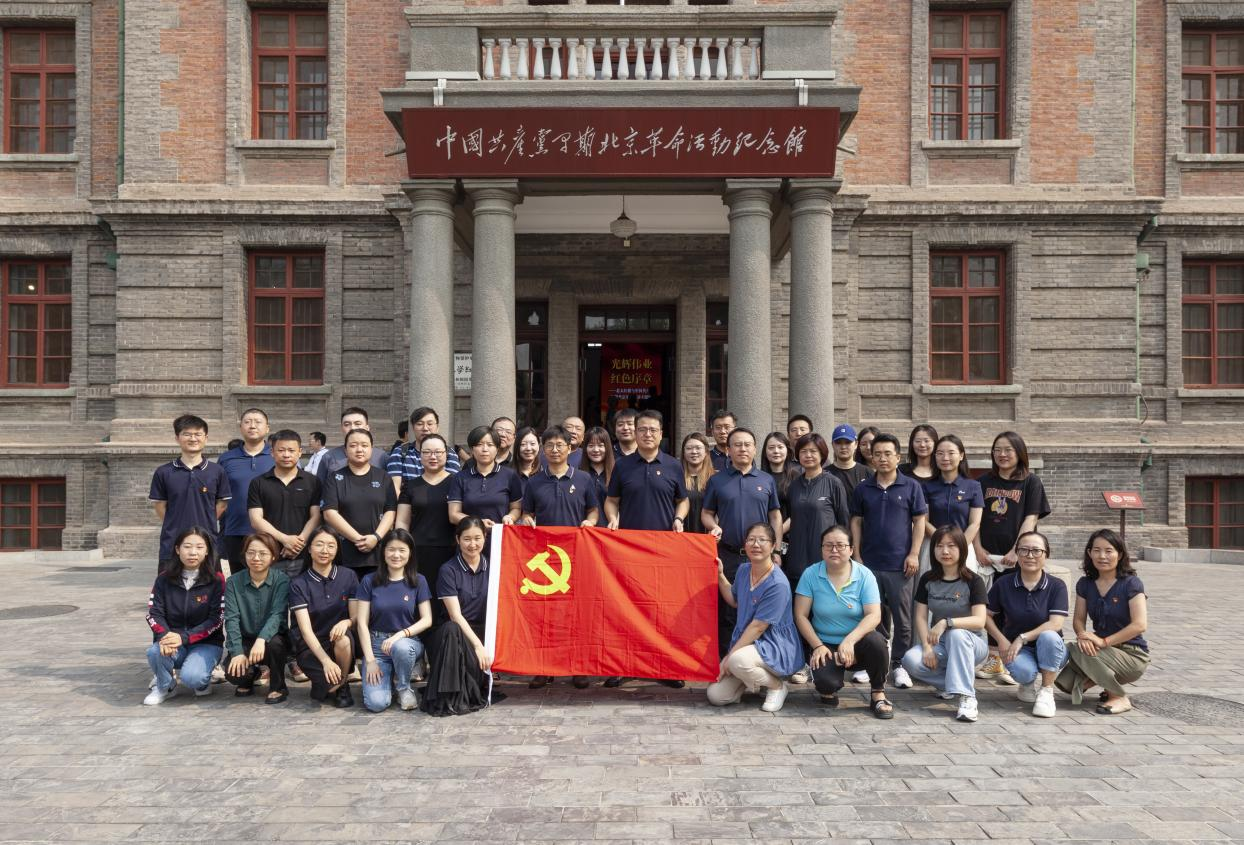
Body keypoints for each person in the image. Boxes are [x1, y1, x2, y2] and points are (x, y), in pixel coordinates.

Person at [603, 409, 689, 688]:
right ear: (635, 433)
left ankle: (664, 667)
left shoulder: (673, 465)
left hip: (663, 551)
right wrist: (613, 517)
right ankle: (624, 665)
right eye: (642, 429)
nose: (647, 434)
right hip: (629, 550)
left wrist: (679, 518)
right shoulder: (623, 466)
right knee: (627, 608)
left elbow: (683, 500)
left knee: (662, 610)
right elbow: (611, 500)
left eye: (653, 430)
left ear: (661, 434)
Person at [521, 424, 600, 689]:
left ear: (570, 448)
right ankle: (544, 667)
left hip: (577, 557)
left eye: (560, 445)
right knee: (545, 614)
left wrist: (590, 522)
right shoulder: (534, 482)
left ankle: (578, 667)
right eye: (549, 446)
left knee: (576, 614)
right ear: (543, 450)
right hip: (545, 559)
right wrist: (527, 520)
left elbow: (593, 511)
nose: (555, 450)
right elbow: (528, 513)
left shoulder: (583, 479)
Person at [850, 433, 927, 689]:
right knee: (873, 616)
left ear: (898, 457)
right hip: (870, 563)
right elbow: (856, 521)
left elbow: (919, 521)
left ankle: (899, 664)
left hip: (900, 565)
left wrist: (914, 553)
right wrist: (857, 554)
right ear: (871, 458)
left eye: (887, 454)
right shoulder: (863, 488)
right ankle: (874, 662)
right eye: (877, 454)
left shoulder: (911, 486)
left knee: (903, 619)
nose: (882, 458)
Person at [975, 431, 1052, 684]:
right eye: (997, 449)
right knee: (989, 606)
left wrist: (1016, 550)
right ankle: (994, 658)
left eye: (1008, 449)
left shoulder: (1031, 482)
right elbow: (975, 518)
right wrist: (977, 548)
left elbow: (1031, 518)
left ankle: (1015, 658)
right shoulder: (983, 481)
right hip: (986, 557)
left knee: (1015, 606)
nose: (1002, 454)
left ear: (1019, 452)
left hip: (1015, 556)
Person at [793, 525, 893, 718]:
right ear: (822, 549)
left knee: (877, 642)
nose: (834, 550)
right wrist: (818, 646)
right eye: (828, 545)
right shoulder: (811, 574)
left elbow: (874, 615)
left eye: (840, 545)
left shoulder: (864, 575)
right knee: (826, 685)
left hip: (859, 642)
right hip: (826, 644)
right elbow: (800, 615)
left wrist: (849, 641)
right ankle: (828, 686)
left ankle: (878, 693)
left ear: (851, 549)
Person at [701, 426, 783, 658]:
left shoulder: (766, 480)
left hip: (760, 557)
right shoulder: (717, 480)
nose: (743, 449)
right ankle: (726, 660)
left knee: (760, 609)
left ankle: (758, 658)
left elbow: (775, 516)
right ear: (728, 450)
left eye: (747, 444)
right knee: (728, 611)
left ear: (755, 449)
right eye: (737, 445)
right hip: (728, 555)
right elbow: (706, 513)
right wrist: (713, 525)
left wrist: (776, 550)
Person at [707, 522, 801, 712]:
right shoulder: (744, 570)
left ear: (773, 546)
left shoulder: (778, 584)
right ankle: (755, 681)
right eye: (751, 539)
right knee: (716, 695)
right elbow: (734, 600)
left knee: (736, 661)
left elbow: (758, 627)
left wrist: (728, 658)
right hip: (748, 645)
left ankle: (777, 686)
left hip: (774, 646)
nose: (755, 544)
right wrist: (720, 575)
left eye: (762, 540)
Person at [900, 525, 990, 722]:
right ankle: (951, 684)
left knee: (957, 634)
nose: (945, 551)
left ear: (962, 548)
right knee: (910, 660)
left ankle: (967, 696)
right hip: (941, 643)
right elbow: (920, 617)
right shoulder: (928, 579)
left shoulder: (973, 581)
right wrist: (926, 647)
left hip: (973, 643)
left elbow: (979, 621)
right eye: (939, 546)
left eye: (951, 546)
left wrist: (947, 623)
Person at [1055, 529, 1149, 715]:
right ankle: (1103, 679)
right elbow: (1079, 619)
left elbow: (1140, 625)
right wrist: (1083, 636)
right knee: (1066, 684)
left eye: (1108, 551)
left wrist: (1104, 641)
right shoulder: (1085, 584)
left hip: (1131, 653)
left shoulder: (1131, 583)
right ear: (1089, 553)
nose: (1102, 556)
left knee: (1075, 649)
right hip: (1099, 650)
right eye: (1096, 550)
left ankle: (1118, 696)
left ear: (1119, 554)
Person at [984, 530, 1068, 718]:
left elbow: (1055, 624)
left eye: (1036, 551)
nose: (1030, 555)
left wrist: (1022, 638)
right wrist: (1001, 640)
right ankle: (1027, 683)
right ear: (1017, 553)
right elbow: (986, 615)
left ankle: (1047, 691)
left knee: (1048, 636)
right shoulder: (1004, 583)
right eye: (1024, 550)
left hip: (1052, 649)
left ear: (1046, 554)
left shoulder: (1056, 586)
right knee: (1024, 672)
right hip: (1017, 650)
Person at [143, 527, 225, 705]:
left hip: (206, 643)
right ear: (177, 549)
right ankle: (165, 686)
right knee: (155, 651)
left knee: (193, 678)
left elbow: (216, 619)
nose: (193, 552)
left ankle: (202, 681)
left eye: (199, 547)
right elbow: (154, 613)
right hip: (173, 641)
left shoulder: (216, 580)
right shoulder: (164, 579)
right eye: (187, 546)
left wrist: (184, 637)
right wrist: (165, 636)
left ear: (207, 551)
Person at [355, 528, 433, 712]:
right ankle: (387, 682)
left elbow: (427, 619)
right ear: (383, 552)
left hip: (407, 642)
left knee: (401, 647)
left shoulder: (418, 580)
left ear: (410, 553)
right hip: (377, 646)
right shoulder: (369, 581)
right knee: (376, 704)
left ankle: (404, 687)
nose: (396, 555)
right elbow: (361, 623)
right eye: (391, 549)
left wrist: (400, 635)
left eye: (402, 550)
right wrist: (370, 660)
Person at [422, 518, 492, 716]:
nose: (472, 544)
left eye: (477, 538)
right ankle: (447, 697)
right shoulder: (448, 570)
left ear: (485, 538)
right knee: (452, 629)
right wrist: (478, 646)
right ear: (457, 540)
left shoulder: (493, 566)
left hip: (482, 631)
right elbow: (455, 615)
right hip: (452, 635)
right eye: (467, 539)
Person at [150, 414, 231, 574]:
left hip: (207, 542)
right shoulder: (164, 472)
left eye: (197, 434)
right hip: (172, 542)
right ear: (177, 438)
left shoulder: (217, 471)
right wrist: (175, 523)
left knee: (210, 585)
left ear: (205, 438)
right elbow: (160, 506)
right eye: (187, 434)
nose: (193, 439)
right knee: (170, 585)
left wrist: (205, 519)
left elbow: (222, 504)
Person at [288, 527, 358, 707]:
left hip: (339, 643)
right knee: (326, 687)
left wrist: (346, 622)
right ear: (309, 549)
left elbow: (355, 616)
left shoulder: (348, 576)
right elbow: (305, 631)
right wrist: (326, 661)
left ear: (337, 550)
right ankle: (328, 683)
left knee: (343, 639)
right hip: (311, 646)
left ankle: (343, 685)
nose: (325, 550)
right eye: (319, 544)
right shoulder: (298, 583)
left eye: (331, 546)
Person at [320, 429, 397, 582]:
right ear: (345, 449)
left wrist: (376, 537)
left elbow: (391, 511)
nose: (359, 449)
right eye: (353, 445)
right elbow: (329, 513)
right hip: (344, 552)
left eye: (364, 445)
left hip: (378, 551)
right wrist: (358, 539)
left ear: (371, 448)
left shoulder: (383, 477)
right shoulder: (335, 478)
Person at [395, 432, 456, 624]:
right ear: (420, 456)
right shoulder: (411, 485)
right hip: (418, 552)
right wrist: (402, 549)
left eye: (438, 452)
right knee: (420, 601)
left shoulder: (457, 483)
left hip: (450, 552)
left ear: (446, 454)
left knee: (446, 602)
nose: (433, 456)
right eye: (427, 452)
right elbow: (402, 522)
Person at [224, 533, 291, 704]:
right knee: (234, 674)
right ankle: (251, 675)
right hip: (246, 638)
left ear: (273, 556)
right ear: (244, 554)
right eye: (251, 553)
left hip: (272, 639)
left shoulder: (281, 580)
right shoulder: (233, 582)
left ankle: (278, 686)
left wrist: (261, 639)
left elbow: (278, 614)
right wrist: (237, 652)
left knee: (276, 644)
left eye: (263, 553)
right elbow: (231, 619)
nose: (256, 558)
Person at [247, 429, 321, 581]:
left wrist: (298, 543)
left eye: (291, 450)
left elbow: (316, 516)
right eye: (281, 450)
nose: (286, 455)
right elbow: (256, 520)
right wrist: (285, 540)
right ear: (272, 452)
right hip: (270, 554)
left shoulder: (312, 481)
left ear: (300, 452)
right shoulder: (259, 483)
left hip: (303, 555)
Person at [786, 433, 851, 589]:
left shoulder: (833, 483)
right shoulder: (794, 486)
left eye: (813, 451)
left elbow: (844, 522)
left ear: (822, 454)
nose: (808, 455)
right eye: (803, 451)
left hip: (825, 558)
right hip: (797, 558)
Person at [217, 408, 275, 572]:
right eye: (247, 422)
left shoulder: (277, 456)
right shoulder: (226, 459)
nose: (252, 426)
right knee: (239, 579)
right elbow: (219, 496)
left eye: (258, 422)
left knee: (270, 580)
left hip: (271, 531)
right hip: (235, 530)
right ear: (241, 427)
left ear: (267, 428)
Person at [922, 434, 984, 574]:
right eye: (940, 453)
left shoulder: (973, 486)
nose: (945, 458)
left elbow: (975, 523)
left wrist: (959, 546)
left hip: (964, 545)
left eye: (951, 453)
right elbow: (923, 521)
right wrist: (942, 543)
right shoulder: (926, 486)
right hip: (934, 546)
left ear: (961, 455)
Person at [448, 425, 524, 530]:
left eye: (490, 445)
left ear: (497, 448)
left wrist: (510, 517)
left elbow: (516, 508)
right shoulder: (460, 477)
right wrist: (478, 523)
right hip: (470, 536)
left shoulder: (510, 475)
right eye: (479, 444)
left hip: (500, 535)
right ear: (472, 449)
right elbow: (453, 515)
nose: (484, 449)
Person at [386, 406, 463, 493]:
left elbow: (453, 487)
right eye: (419, 424)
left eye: (430, 424)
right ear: (413, 428)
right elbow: (395, 488)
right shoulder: (400, 452)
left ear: (437, 427)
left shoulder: (449, 453)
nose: (425, 428)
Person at [314, 407, 389, 484]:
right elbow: (319, 487)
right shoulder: (328, 457)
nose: (352, 428)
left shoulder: (381, 457)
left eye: (357, 424)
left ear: (367, 428)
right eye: (347, 424)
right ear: (341, 428)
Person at [680, 432, 715, 534]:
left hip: (708, 534)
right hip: (680, 533)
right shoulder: (676, 478)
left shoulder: (716, 479)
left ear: (706, 452)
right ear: (683, 452)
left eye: (698, 448)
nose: (694, 452)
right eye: (689, 448)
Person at [760, 431, 797, 524]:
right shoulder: (758, 477)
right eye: (771, 448)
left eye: (780, 447)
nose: (776, 451)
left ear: (787, 450)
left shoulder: (796, 477)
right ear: (765, 452)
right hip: (763, 531)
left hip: (791, 530)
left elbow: (798, 511)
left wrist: (779, 530)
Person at [825, 424, 871, 496]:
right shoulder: (825, 474)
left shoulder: (867, 473)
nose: (843, 447)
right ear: (832, 445)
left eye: (847, 442)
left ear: (856, 444)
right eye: (838, 443)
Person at [582, 426, 615, 527]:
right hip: (584, 529)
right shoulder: (578, 473)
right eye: (591, 445)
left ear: (607, 447)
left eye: (601, 445)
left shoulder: (617, 473)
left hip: (611, 530)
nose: (596, 450)